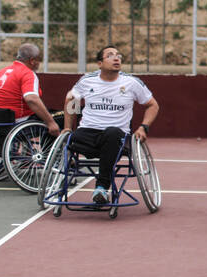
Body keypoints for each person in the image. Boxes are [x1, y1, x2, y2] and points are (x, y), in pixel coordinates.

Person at [65, 44, 159, 206]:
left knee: (112, 133)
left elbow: (153, 105)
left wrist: (144, 127)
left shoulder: (131, 83)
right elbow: (71, 100)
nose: (116, 58)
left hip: (116, 137)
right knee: (70, 137)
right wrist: (67, 128)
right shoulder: (88, 80)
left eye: (118, 55)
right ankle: (60, 182)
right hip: (88, 133)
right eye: (110, 55)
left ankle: (101, 188)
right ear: (100, 63)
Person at [0, 43, 61, 159]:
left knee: (48, 114)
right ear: (32, 61)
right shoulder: (27, 73)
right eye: (39, 60)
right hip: (16, 122)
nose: (39, 63)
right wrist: (51, 123)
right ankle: (52, 158)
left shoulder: (3, 71)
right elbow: (31, 99)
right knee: (59, 118)